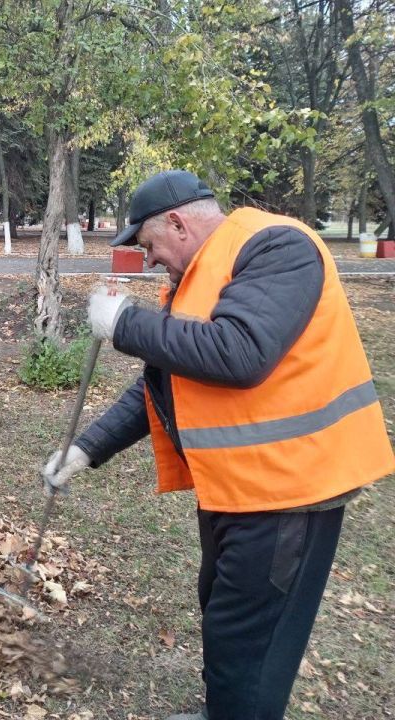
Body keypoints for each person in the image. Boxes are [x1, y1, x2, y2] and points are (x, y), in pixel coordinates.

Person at [42, 170, 395, 720]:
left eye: (150, 246)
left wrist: (127, 324)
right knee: (223, 615)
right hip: (238, 486)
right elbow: (167, 378)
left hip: (290, 491)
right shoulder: (202, 272)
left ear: (178, 223)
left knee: (250, 646)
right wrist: (87, 448)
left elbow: (240, 352)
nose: (150, 261)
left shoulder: (278, 247)